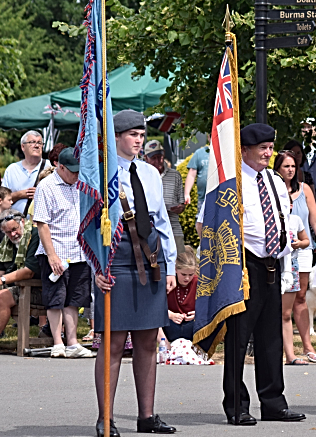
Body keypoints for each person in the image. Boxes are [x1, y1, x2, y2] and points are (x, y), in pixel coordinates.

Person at [92, 109, 177, 436]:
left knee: (147, 342)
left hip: (151, 260)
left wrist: (168, 263)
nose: (138, 141)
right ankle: (107, 419)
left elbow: (162, 221)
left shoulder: (149, 173)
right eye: (132, 135)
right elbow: (86, 225)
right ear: (116, 138)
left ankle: (147, 416)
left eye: (141, 135)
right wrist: (96, 267)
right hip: (115, 261)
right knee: (112, 344)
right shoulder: (99, 174)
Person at [223, 123, 305, 426]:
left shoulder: (272, 179)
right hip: (244, 263)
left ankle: (273, 402)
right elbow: (210, 223)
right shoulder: (231, 180)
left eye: (270, 148)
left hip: (273, 263)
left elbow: (283, 216)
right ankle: (236, 405)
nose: (267, 153)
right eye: (262, 149)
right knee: (239, 339)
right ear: (244, 149)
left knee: (271, 338)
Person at [33, 147, 93, 359]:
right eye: (73, 171)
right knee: (55, 297)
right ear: (60, 167)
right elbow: (42, 224)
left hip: (78, 251)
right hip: (55, 249)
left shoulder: (81, 185)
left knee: (75, 299)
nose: (76, 175)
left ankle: (73, 342)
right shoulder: (46, 186)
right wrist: (51, 255)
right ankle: (57, 342)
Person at [273, 151, 316, 363]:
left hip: (304, 249)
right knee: (280, 299)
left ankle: (307, 345)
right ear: (278, 168)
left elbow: (315, 220)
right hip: (279, 252)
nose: (289, 170)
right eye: (285, 166)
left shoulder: (304, 189)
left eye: (292, 166)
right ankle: (280, 345)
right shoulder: (272, 187)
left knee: (301, 296)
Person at [0, 210, 41, 336]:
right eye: (8, 232)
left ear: (22, 222)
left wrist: (2, 280)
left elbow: (29, 272)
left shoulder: (34, 235)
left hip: (36, 288)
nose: (13, 234)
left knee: (1, 298)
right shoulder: (6, 244)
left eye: (15, 229)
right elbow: (1, 268)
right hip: (15, 285)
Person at [279, 198, 311, 365]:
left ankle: (290, 355)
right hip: (270, 267)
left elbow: (306, 241)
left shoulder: (295, 220)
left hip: (290, 267)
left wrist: (299, 243)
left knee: (285, 313)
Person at [144, 140, 186, 254]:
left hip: (173, 227)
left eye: (160, 157)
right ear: (146, 158)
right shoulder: (141, 176)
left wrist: (180, 208)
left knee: (180, 262)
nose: (158, 161)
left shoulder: (175, 175)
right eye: (154, 158)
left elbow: (181, 203)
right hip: (151, 228)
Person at [2, 130, 48, 215]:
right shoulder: (12, 169)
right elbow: (2, 199)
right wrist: (20, 194)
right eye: (32, 142)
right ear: (23, 147)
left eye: (40, 143)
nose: (37, 145)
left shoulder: (50, 168)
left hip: (42, 224)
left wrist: (41, 195)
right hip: (15, 225)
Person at [163, 246, 198, 342]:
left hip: (192, 324)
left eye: (191, 275)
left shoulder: (198, 282)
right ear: (175, 269)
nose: (187, 278)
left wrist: (198, 314)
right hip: (170, 324)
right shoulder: (168, 281)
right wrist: (170, 315)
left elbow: (209, 306)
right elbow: (155, 307)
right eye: (183, 274)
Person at [184, 135, 210, 210]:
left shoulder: (224, 153)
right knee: (201, 220)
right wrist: (186, 194)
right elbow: (191, 175)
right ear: (208, 137)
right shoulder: (200, 153)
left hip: (221, 198)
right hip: (203, 199)